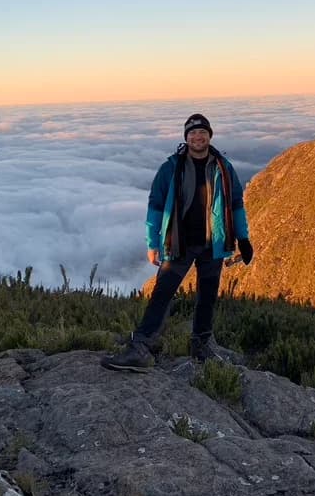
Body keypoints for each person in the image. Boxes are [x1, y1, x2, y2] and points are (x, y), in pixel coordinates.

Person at [102, 113, 254, 372]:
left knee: (207, 297)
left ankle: (201, 346)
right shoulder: (171, 167)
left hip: (213, 244)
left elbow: (236, 204)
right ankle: (140, 348)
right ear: (186, 138)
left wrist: (243, 238)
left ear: (209, 136)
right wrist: (153, 243)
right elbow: (156, 205)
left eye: (202, 132)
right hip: (178, 243)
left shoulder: (223, 167)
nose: (198, 137)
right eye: (193, 133)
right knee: (162, 294)